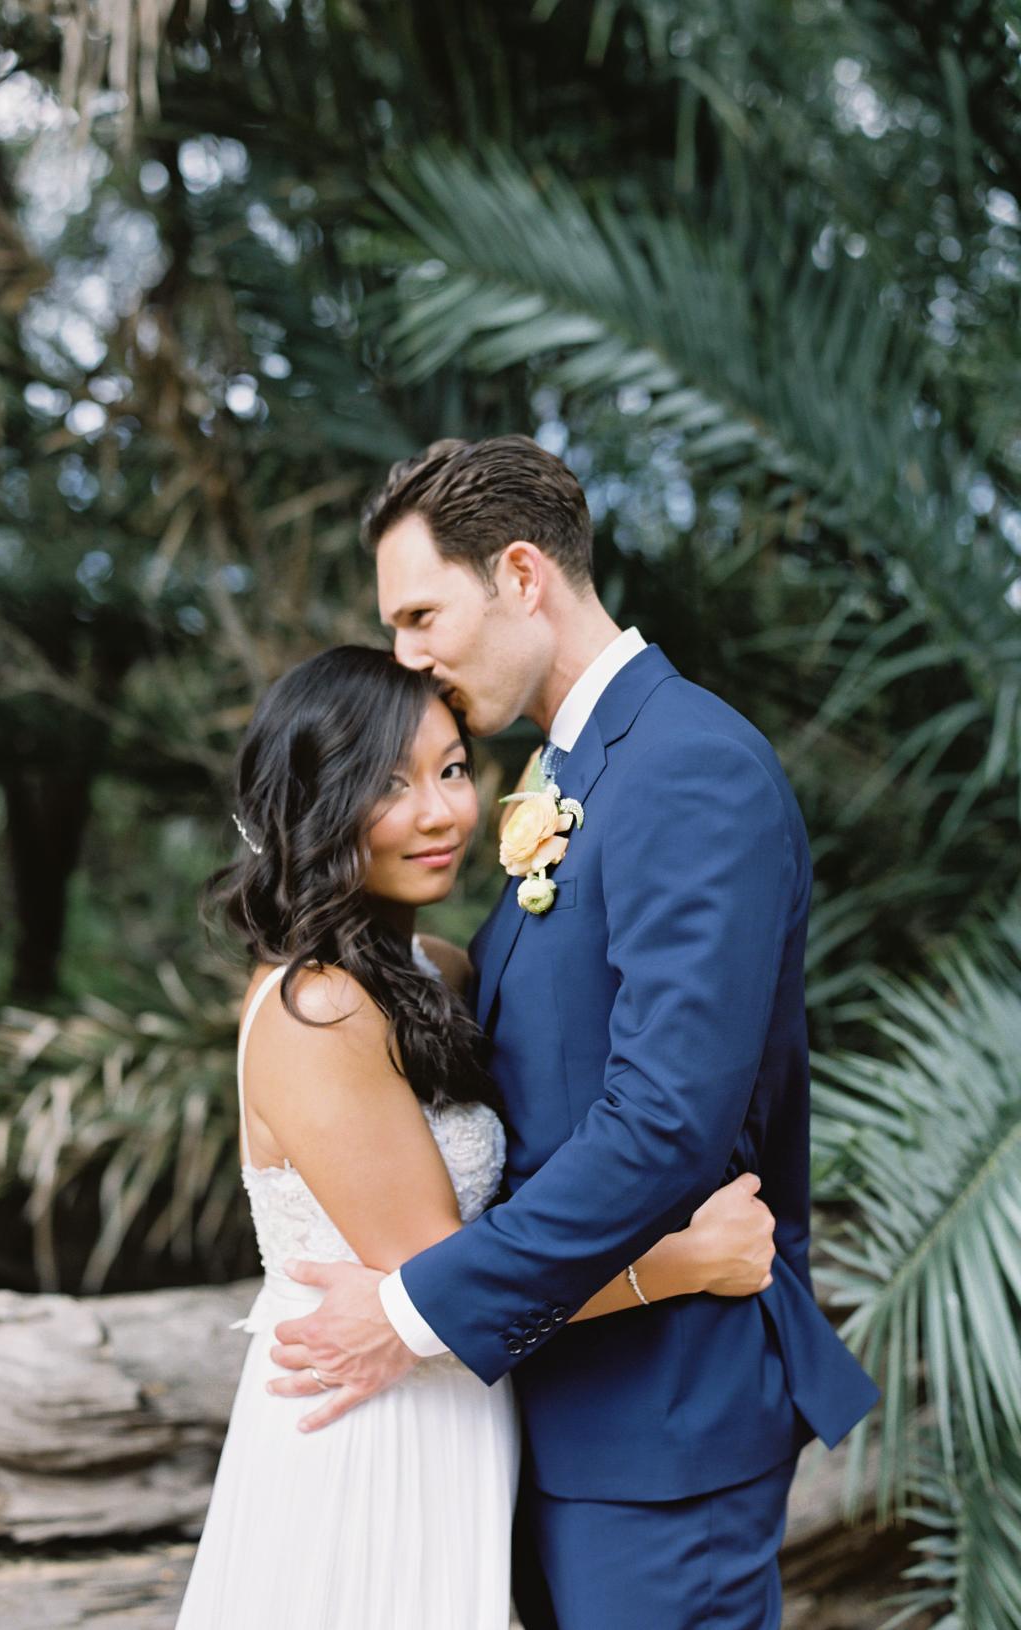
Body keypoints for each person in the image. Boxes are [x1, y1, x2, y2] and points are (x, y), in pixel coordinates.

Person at [267, 438, 881, 1630]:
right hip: (554, 1415)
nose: (407, 654)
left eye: (422, 613)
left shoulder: (689, 767)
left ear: (520, 575)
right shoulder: (575, 772)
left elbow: (662, 1125)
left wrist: (405, 1309)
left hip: (665, 1425)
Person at [172, 644, 781, 1630]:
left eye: (453, 768)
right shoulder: (313, 1010)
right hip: (366, 1440)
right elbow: (445, 1285)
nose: (443, 811)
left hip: (466, 1423)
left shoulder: (434, 969)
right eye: (389, 784)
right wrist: (682, 1263)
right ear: (316, 809)